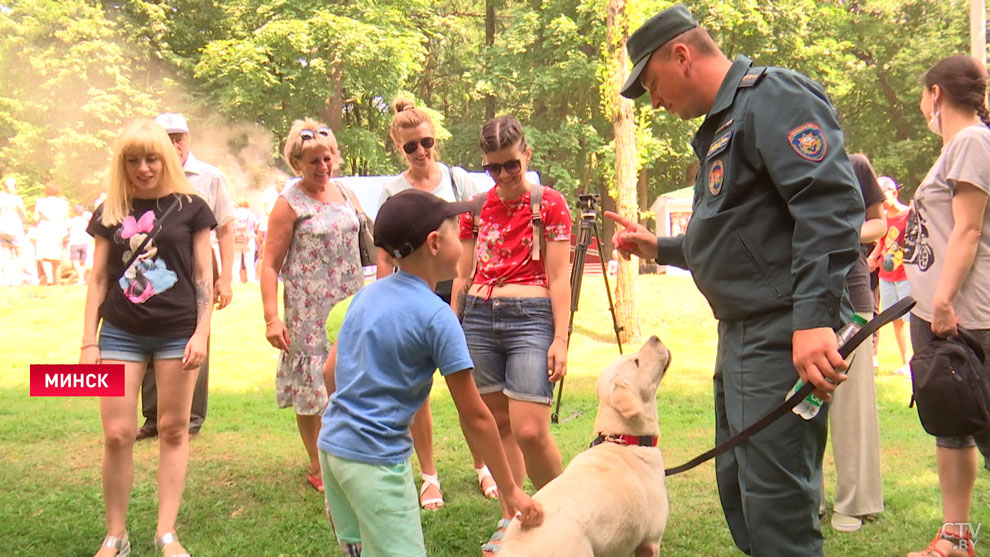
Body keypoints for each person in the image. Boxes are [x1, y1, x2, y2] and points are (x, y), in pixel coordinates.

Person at [608, 5, 863, 554]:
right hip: (742, 337)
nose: (654, 101)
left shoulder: (772, 98)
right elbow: (739, 238)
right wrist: (663, 247)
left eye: (651, 84)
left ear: (682, 55)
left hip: (782, 336)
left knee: (777, 507)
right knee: (742, 493)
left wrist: (814, 320)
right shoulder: (724, 125)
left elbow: (829, 205)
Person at [320, 188, 543, 556]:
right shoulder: (437, 317)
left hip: (333, 448)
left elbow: (331, 373)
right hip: (376, 463)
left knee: (359, 548)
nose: (463, 238)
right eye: (457, 230)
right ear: (435, 243)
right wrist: (511, 488)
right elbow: (476, 417)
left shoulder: (364, 297)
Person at [81, 119, 215, 557]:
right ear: (122, 163)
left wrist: (201, 333)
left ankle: (166, 533)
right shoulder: (110, 210)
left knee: (174, 429)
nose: (143, 168)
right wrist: (89, 341)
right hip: (120, 332)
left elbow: (202, 275)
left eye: (151, 158)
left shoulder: (192, 207)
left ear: (168, 157)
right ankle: (115, 535)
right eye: (133, 160)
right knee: (118, 433)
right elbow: (98, 278)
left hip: (179, 334)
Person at [451, 115, 571, 553]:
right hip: (480, 317)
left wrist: (560, 339)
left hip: (531, 315)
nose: (502, 176)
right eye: (493, 168)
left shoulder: (550, 203)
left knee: (530, 430)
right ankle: (512, 518)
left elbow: (560, 279)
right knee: (498, 423)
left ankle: (566, 515)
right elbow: (462, 274)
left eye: (511, 165)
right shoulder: (476, 209)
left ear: (527, 156)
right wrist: (454, 322)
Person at [376, 98, 495, 510]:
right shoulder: (393, 190)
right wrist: (382, 299)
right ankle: (429, 477)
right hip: (411, 293)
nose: (421, 151)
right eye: (411, 146)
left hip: (459, 291)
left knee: (468, 382)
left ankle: (483, 466)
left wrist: (466, 294)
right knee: (418, 389)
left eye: (426, 141)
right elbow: (386, 253)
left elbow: (473, 238)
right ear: (399, 147)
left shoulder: (458, 181)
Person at [902, 54, 990, 557]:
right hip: (941, 314)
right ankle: (956, 539)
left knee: (976, 423)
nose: (920, 106)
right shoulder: (957, 146)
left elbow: (969, 229)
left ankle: (958, 539)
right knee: (954, 425)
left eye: (921, 96)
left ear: (935, 93)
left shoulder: (971, 141)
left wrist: (941, 300)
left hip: (965, 317)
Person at [260, 118, 364, 493]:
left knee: (350, 378)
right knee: (312, 387)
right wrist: (272, 318)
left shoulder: (346, 195)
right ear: (297, 164)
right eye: (313, 161)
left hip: (350, 302)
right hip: (308, 309)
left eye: (327, 158)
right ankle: (318, 464)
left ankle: (349, 453)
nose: (323, 167)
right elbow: (269, 264)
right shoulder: (288, 203)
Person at [135, 113, 236, 441]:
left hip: (199, 265)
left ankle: (191, 417)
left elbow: (226, 228)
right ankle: (153, 416)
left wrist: (226, 278)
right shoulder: (146, 176)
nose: (174, 144)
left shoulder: (209, 176)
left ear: (188, 139)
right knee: (148, 331)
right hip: (153, 265)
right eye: (167, 138)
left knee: (196, 336)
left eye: (179, 137)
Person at [819, 153, 886, 533]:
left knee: (852, 412)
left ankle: (855, 502)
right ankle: (808, 500)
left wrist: (847, 233)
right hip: (797, 302)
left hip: (853, 298)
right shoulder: (779, 165)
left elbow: (879, 222)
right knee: (802, 405)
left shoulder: (855, 164)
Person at [867, 175, 913, 375]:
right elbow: (882, 242)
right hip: (887, 275)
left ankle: (918, 363)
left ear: (894, 193)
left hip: (906, 276)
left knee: (913, 320)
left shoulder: (910, 214)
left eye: (883, 195)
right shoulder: (883, 219)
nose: (880, 201)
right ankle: (905, 363)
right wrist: (873, 257)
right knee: (896, 320)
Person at [34, 181, 70, 285]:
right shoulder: (63, 203)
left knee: (44, 256)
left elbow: (35, 218)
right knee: (56, 258)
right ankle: (57, 282)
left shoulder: (40, 202)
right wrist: (67, 233)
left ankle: (49, 279)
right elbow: (67, 219)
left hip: (45, 228)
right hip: (58, 228)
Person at [0, 176, 33, 286]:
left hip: (2, 228)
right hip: (14, 227)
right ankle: (17, 278)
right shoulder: (16, 199)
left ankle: (6, 279)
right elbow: (24, 215)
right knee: (20, 253)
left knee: (6, 253)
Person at [231, 198, 258, 283]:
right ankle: (251, 280)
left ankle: (235, 281)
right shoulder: (250, 214)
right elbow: (255, 225)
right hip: (248, 239)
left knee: (236, 261)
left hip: (236, 239)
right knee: (249, 261)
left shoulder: (234, 213)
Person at [68, 204, 93, 284]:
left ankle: (81, 278)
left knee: (75, 262)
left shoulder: (72, 221)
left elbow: (68, 231)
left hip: (75, 242)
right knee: (82, 262)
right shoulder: (85, 221)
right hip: (85, 243)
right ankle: (83, 278)